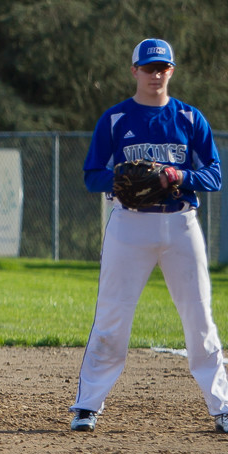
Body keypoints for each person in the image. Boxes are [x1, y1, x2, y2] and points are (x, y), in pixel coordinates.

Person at [70, 39, 228, 433]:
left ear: (171, 71)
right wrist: (121, 180)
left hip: (180, 225)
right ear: (134, 71)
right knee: (111, 317)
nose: (155, 75)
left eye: (162, 68)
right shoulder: (115, 119)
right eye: (148, 68)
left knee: (200, 320)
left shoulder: (190, 119)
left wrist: (180, 175)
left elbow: (214, 174)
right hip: (129, 225)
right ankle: (87, 406)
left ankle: (222, 406)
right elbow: (93, 175)